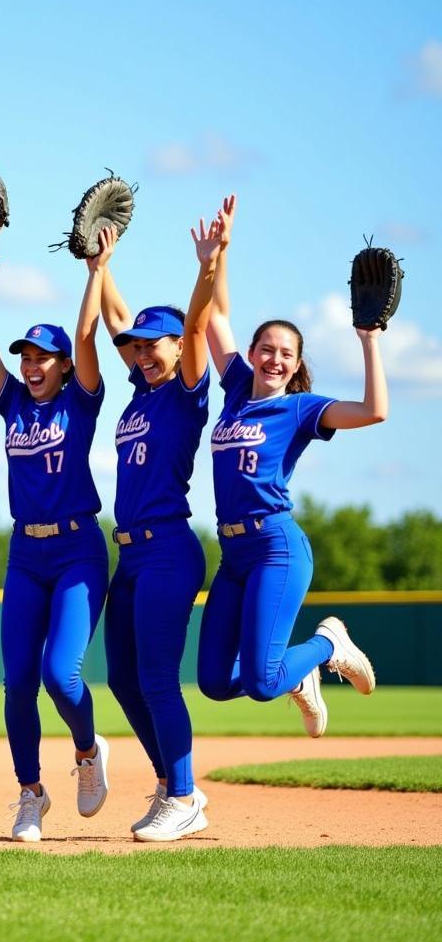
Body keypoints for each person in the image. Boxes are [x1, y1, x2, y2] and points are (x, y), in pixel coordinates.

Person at [199, 196, 384, 737]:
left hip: (275, 546)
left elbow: (375, 411)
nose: (275, 358)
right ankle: (299, 678)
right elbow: (216, 316)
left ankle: (329, 644)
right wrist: (219, 255)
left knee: (259, 681)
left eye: (287, 353)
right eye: (267, 348)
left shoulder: (300, 408)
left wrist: (369, 342)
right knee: (214, 680)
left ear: (296, 363)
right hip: (232, 552)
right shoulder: (235, 391)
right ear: (252, 353)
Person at [0, 220, 112, 843]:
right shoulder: (15, 404)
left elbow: (85, 333)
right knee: (17, 682)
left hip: (80, 546)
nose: (30, 365)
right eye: (25, 356)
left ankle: (87, 752)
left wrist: (96, 271)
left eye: (41, 357)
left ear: (61, 366)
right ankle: (30, 792)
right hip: (27, 551)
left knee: (61, 674)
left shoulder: (80, 400)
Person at [97, 213, 225, 842]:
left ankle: (181, 794)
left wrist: (209, 264)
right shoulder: (144, 389)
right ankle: (177, 787)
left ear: (180, 348)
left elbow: (197, 320)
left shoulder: (185, 390)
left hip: (170, 550)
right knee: (122, 677)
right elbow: (122, 318)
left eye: (157, 343)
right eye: (139, 345)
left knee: (155, 678)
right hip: (131, 557)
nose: (145, 352)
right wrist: (100, 266)